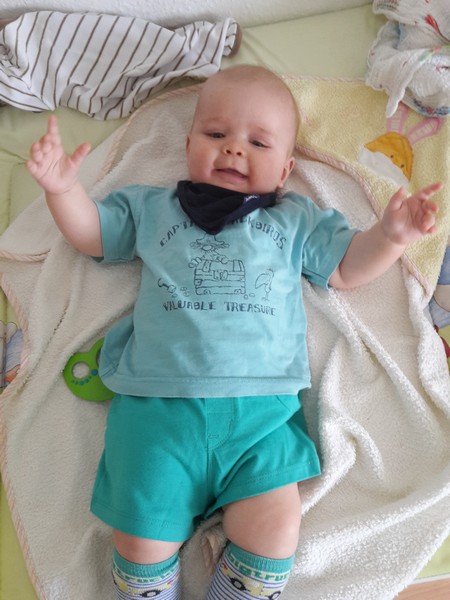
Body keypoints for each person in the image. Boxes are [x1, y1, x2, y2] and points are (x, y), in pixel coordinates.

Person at [27, 65, 442, 600]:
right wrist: (63, 190)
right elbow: (93, 236)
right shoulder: (152, 207)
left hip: (261, 417)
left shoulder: (295, 219)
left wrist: (391, 236)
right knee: (139, 538)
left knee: (275, 528)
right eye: (215, 133)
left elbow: (345, 268)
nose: (233, 149)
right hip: (157, 413)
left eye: (258, 142)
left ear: (286, 168)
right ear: (188, 145)